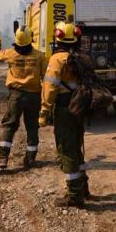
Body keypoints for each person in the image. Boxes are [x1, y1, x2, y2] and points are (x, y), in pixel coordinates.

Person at [39, 21, 89, 208]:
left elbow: (50, 88)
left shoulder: (57, 59)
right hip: (79, 106)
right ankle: (83, 187)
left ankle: (75, 196)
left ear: (58, 37)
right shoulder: (80, 56)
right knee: (77, 146)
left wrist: (44, 111)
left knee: (67, 150)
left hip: (64, 108)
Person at [0, 26, 46, 171]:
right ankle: (30, 159)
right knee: (32, 126)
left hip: (16, 95)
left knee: (9, 125)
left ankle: (2, 158)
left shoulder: (10, 54)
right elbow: (46, 77)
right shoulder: (39, 56)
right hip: (34, 96)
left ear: (17, 39)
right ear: (30, 38)